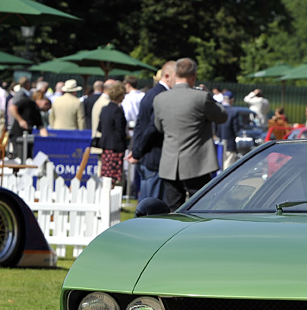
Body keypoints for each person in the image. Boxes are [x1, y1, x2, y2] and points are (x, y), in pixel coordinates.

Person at [152, 57, 228, 209]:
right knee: (200, 209)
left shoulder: (160, 99)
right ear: (193, 76)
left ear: (175, 74)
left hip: (170, 165)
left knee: (174, 210)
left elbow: (159, 128)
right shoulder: (201, 97)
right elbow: (222, 116)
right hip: (197, 164)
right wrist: (211, 98)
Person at [130, 61, 175, 202]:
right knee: (152, 207)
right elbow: (152, 128)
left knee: (146, 204)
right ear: (167, 76)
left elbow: (140, 126)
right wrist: (137, 151)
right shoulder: (161, 96)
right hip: (154, 157)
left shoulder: (150, 94)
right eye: (177, 76)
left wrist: (136, 150)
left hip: (146, 157)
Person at [97, 81, 128, 183]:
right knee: (113, 175)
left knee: (106, 173)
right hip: (115, 146)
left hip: (105, 145)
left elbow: (100, 127)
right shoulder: (117, 110)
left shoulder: (104, 109)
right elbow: (120, 129)